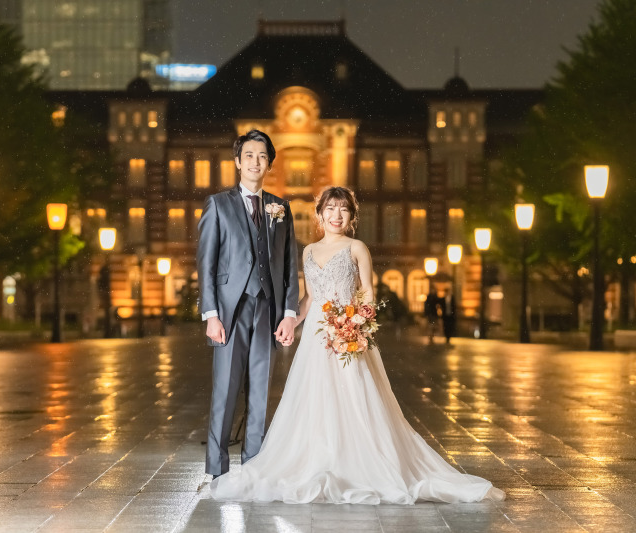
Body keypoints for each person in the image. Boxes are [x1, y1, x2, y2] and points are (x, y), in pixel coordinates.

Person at [210, 186, 505, 504]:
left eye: (343, 209)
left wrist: (354, 322)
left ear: (351, 216)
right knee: (312, 400)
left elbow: (367, 293)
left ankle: (363, 464)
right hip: (315, 338)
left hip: (348, 334)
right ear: (320, 214)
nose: (336, 215)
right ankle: (318, 459)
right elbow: (310, 297)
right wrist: (292, 322)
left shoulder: (357, 248)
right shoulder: (308, 251)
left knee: (356, 399)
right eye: (330, 209)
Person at [196, 129, 299, 479]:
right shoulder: (217, 204)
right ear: (238, 161)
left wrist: (288, 313)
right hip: (229, 310)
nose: (256, 161)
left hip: (267, 309)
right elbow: (206, 263)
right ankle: (217, 468)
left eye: (263, 156)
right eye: (250, 155)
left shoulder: (281, 208)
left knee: (260, 391)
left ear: (269, 163)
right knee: (225, 390)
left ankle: (253, 467)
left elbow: (289, 266)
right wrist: (210, 314)